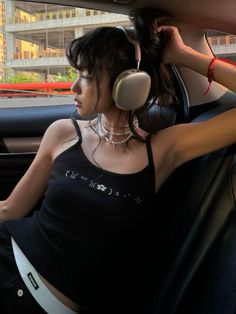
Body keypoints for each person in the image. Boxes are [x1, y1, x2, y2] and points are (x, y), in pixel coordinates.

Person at [0, 7, 236, 314]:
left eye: (85, 76)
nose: (73, 87)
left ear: (128, 84)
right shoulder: (62, 132)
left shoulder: (164, 149)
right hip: (8, 256)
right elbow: (10, 209)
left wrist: (185, 55)